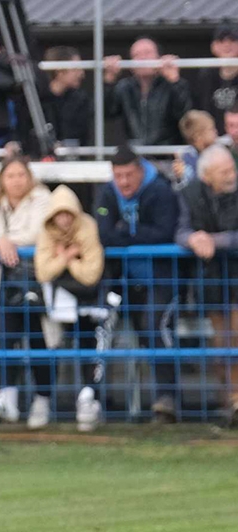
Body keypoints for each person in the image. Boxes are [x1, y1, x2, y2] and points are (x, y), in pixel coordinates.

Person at [92, 147, 182, 421]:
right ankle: (94, 398)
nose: (124, 182)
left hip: (162, 277)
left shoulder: (160, 191)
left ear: (140, 170)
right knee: (102, 325)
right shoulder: (107, 193)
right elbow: (104, 233)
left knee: (155, 327)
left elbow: (164, 232)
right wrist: (133, 234)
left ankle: (167, 399)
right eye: (118, 175)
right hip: (124, 279)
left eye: (129, 175)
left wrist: (126, 231)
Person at [0, 155, 55, 428]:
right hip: (1, 284)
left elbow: (41, 232)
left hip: (36, 281)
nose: (16, 181)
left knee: (41, 341)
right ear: (1, 179)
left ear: (29, 177)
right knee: (0, 338)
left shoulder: (42, 198)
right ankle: (8, 398)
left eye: (21, 175)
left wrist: (6, 241)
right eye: (10, 175)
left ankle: (43, 400)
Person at [35, 185, 110, 432]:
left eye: (69, 213)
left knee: (91, 344)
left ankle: (89, 400)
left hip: (90, 303)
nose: (65, 219)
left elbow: (91, 275)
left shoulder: (88, 227)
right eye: (60, 214)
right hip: (58, 304)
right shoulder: (46, 231)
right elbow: (42, 271)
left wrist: (66, 262)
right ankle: (43, 402)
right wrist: (68, 257)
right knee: (46, 342)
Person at [175, 146, 238, 425]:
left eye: (232, 169)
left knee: (236, 339)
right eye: (225, 171)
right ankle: (230, 402)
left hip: (233, 276)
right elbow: (180, 230)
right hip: (211, 282)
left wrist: (214, 240)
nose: (232, 175)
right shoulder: (189, 194)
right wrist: (192, 239)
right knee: (221, 343)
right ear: (207, 175)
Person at [40, 47, 95, 146]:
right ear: (59, 71)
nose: (82, 74)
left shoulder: (80, 99)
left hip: (73, 159)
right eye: (76, 69)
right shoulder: (37, 99)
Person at [192, 24, 238, 118]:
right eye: (221, 41)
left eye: (232, 40)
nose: (227, 45)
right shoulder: (206, 76)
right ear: (213, 46)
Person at [174, 110, 221, 188]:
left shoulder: (219, 153)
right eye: (211, 129)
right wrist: (180, 176)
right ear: (198, 137)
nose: (216, 132)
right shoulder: (186, 159)